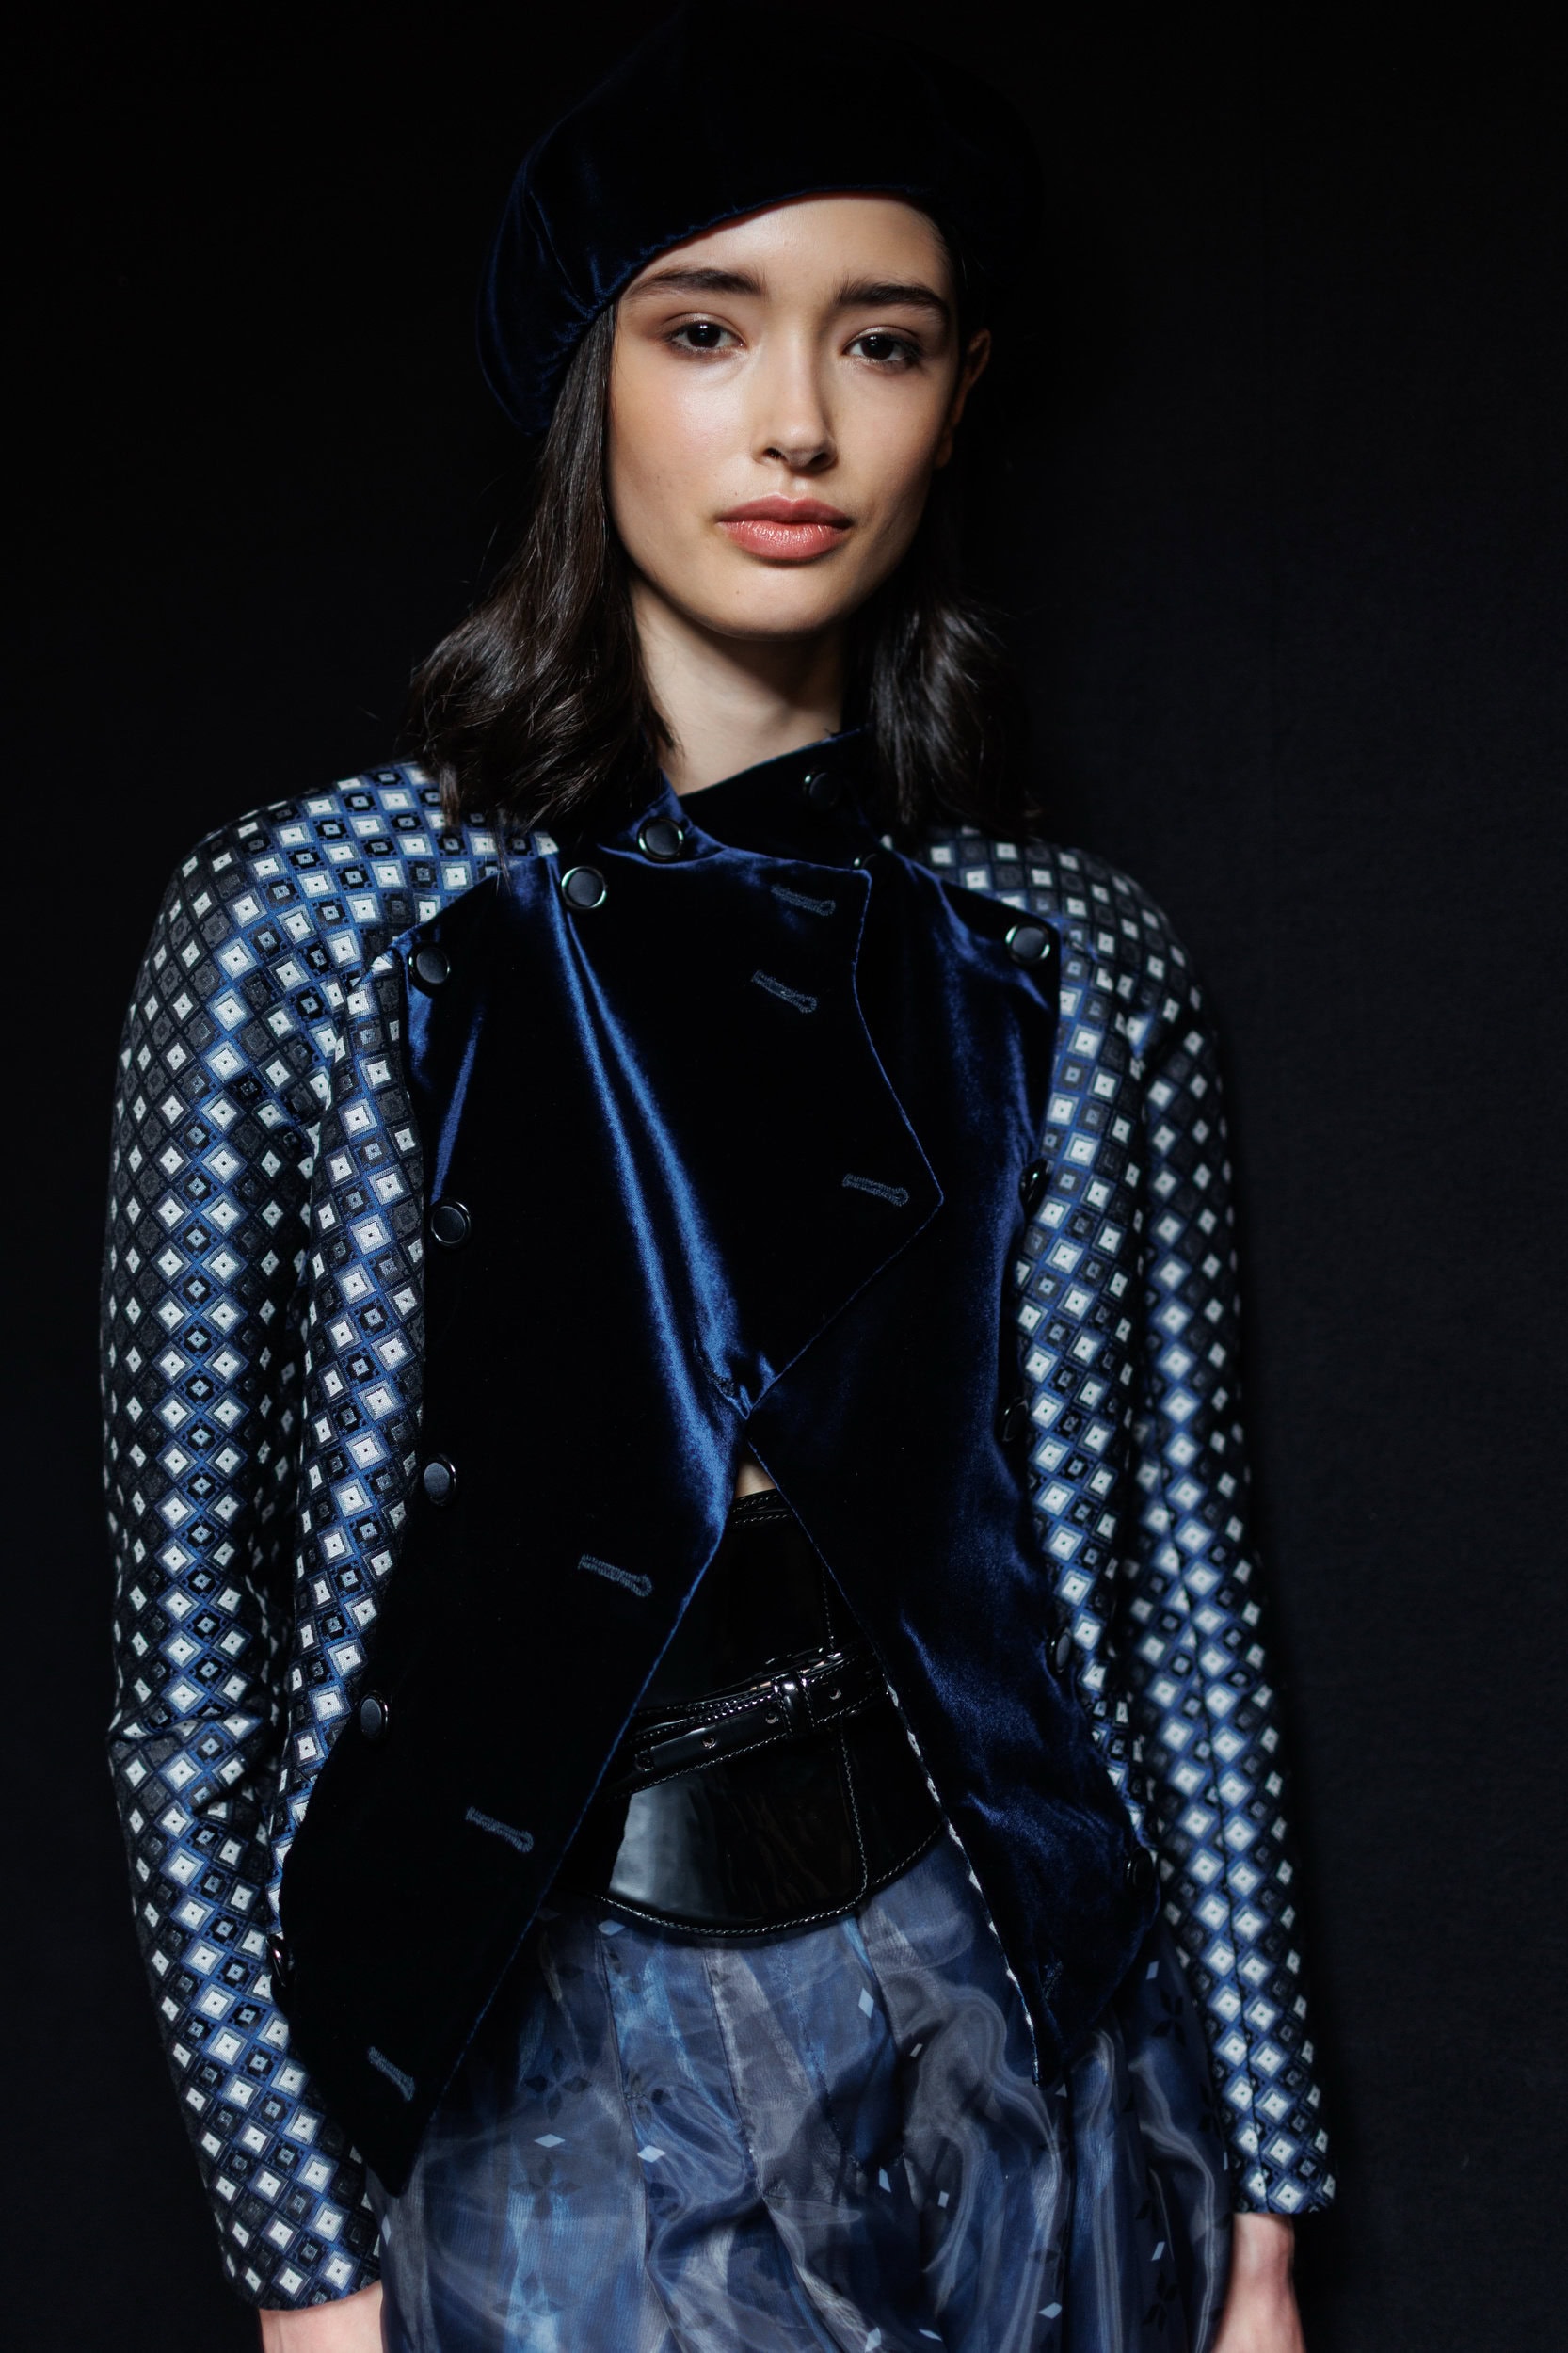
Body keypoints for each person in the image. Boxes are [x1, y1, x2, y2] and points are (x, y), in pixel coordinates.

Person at [102, 8, 1332, 2348]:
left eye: (879, 340)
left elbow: (1180, 1593)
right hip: (534, 2070)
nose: (795, 422)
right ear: (590, 377)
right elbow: (193, 1682)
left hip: (1029, 2041)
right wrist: (295, 2249)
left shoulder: (1069, 955)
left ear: (960, 390)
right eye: (704, 329)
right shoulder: (311, 921)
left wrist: (1259, 2187)